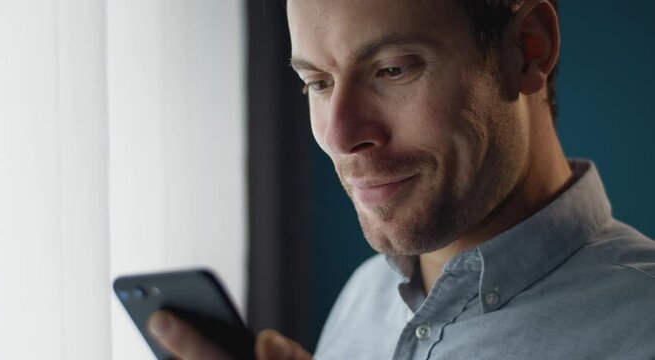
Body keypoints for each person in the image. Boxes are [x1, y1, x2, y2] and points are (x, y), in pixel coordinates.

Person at [147, 0, 655, 358]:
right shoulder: (364, 297)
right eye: (317, 83)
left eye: (392, 70)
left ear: (527, 49)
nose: (339, 135)